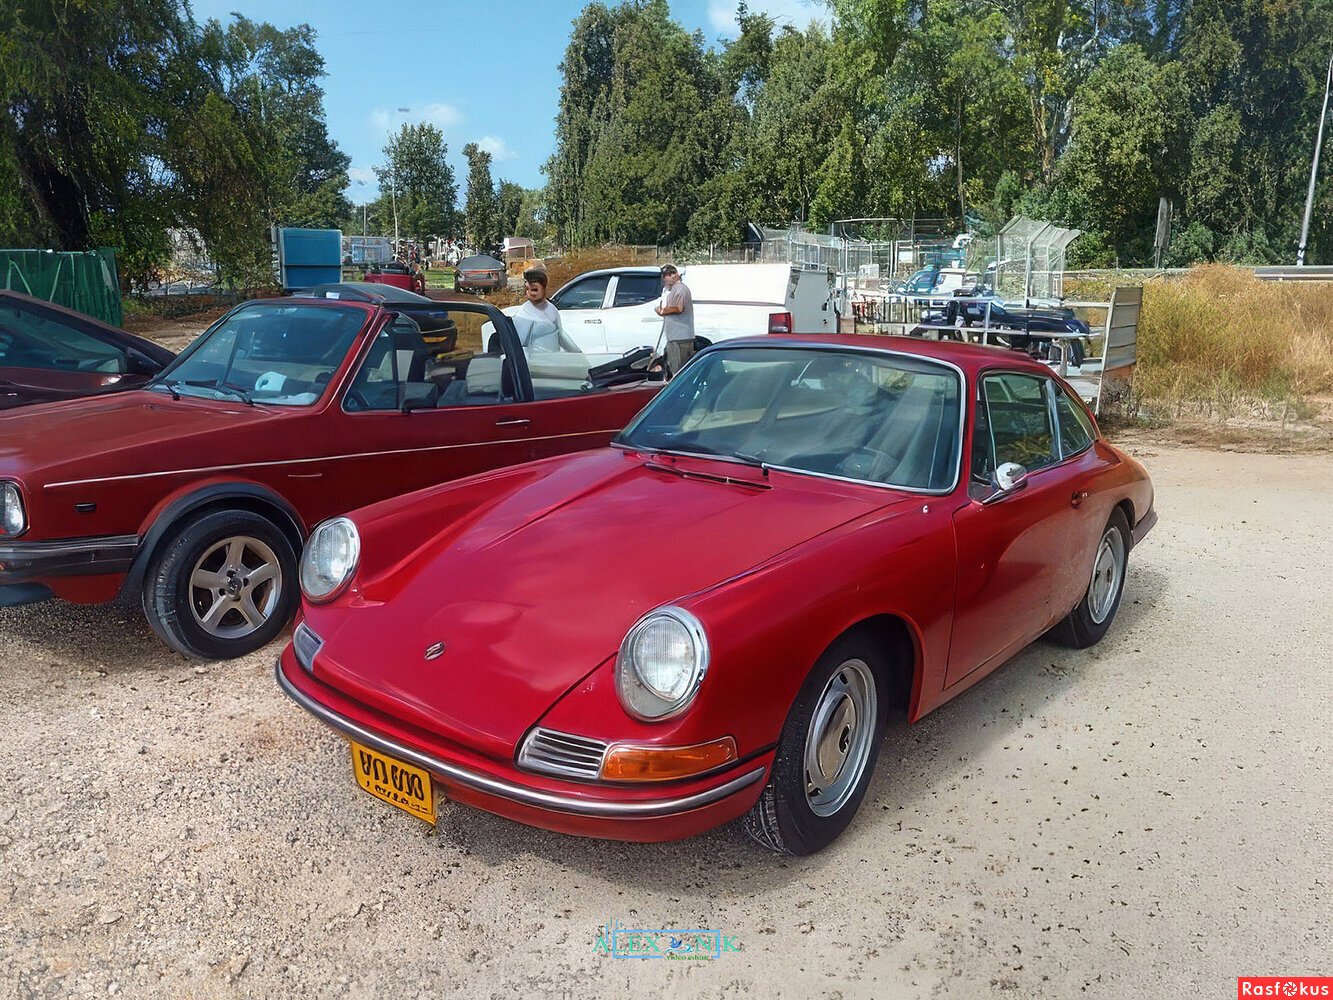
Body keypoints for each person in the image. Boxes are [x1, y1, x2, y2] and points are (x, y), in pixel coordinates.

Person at [512, 267, 565, 353]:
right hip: (536, 360)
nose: (530, 293)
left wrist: (578, 354)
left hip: (554, 358)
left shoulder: (552, 309)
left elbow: (561, 336)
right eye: (527, 289)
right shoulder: (523, 314)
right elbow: (520, 347)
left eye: (534, 289)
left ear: (544, 288)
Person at [655, 264, 695, 376]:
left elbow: (679, 308)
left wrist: (662, 311)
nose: (664, 279)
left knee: (679, 372)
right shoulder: (671, 290)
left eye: (666, 276)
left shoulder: (680, 289)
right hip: (674, 337)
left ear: (674, 275)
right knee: (673, 368)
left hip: (680, 338)